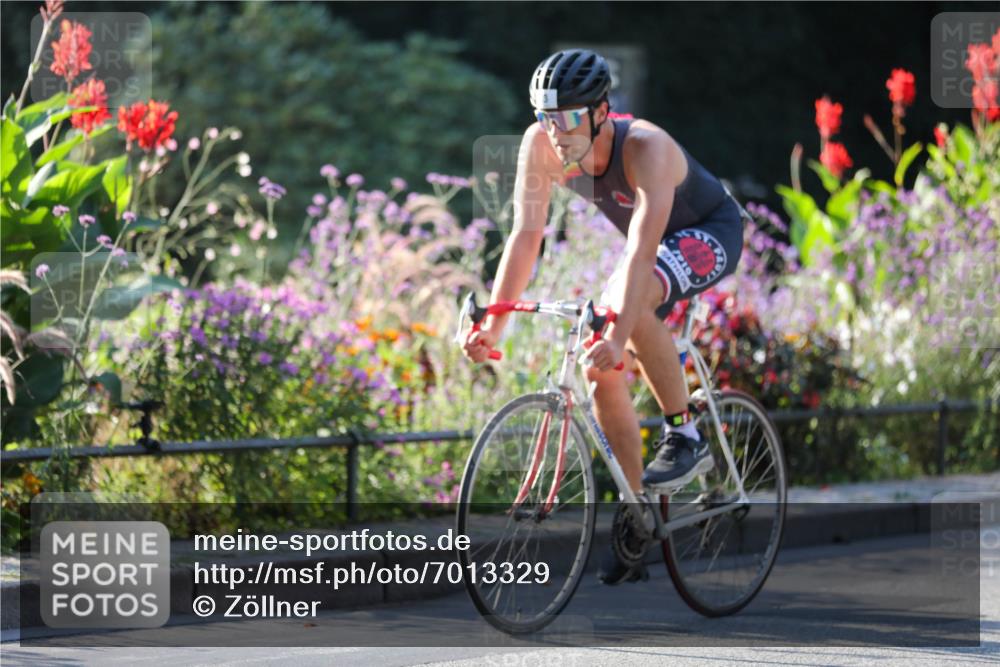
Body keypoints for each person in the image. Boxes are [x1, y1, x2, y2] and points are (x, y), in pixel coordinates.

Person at [460, 48, 749, 584]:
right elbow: (526, 237)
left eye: (569, 117)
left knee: (624, 305)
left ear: (600, 111)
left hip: (708, 231)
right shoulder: (541, 147)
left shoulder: (645, 147)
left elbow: (641, 253)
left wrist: (618, 330)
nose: (556, 133)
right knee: (599, 371)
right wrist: (494, 323)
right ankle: (637, 509)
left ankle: (685, 434)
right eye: (546, 118)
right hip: (652, 249)